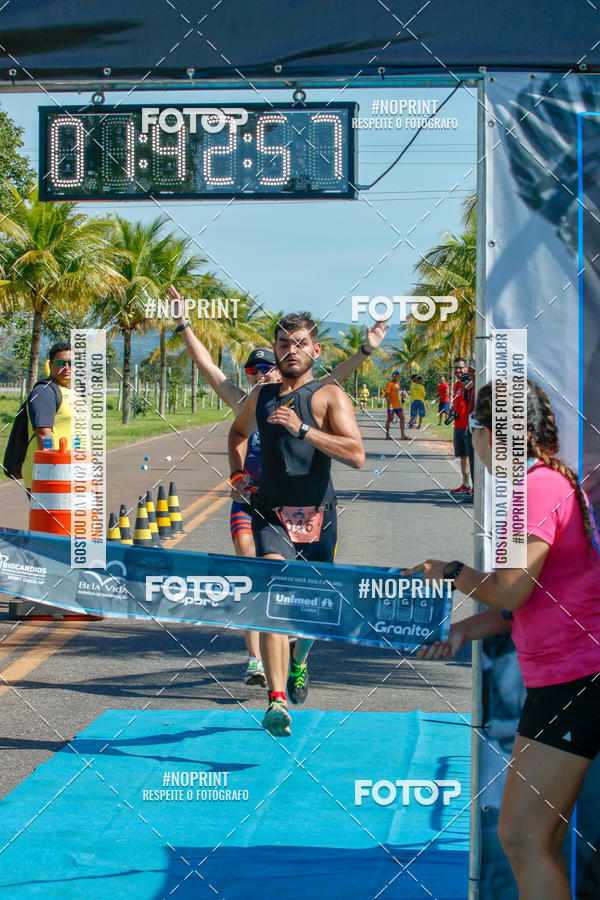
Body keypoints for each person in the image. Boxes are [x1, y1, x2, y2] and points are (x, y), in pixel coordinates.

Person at [405, 380, 600, 900]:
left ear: (492, 434)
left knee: (521, 837)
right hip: (566, 680)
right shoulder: (545, 481)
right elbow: (533, 601)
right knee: (537, 839)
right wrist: (463, 629)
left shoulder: (534, 489)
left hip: (575, 682)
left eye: (475, 432)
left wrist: (449, 570)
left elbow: (511, 592)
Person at [169, 285, 386, 686]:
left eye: (267, 366)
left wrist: (366, 351)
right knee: (264, 580)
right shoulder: (252, 400)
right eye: (255, 369)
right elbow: (208, 369)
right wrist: (184, 324)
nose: (263, 373)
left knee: (315, 603)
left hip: (313, 509)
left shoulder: (311, 393)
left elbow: (335, 381)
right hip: (258, 502)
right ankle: (264, 669)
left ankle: (296, 659)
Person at [229, 312, 366, 737]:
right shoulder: (262, 396)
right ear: (275, 349)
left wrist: (304, 429)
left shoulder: (329, 397)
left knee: (313, 611)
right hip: (270, 513)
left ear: (316, 350)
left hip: (319, 519)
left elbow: (356, 455)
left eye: (301, 343)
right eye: (285, 344)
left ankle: (300, 663)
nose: (292, 350)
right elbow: (236, 432)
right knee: (273, 592)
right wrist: (238, 476)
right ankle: (275, 700)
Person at [22, 342, 72, 493]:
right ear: (51, 365)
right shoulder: (44, 392)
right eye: (60, 363)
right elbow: (44, 435)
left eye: (71, 363)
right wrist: (54, 471)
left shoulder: (67, 391)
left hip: (71, 472)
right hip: (52, 474)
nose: (67, 367)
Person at [450, 357, 472, 496]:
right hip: (458, 425)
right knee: (463, 456)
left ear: (467, 368)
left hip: (468, 426)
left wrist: (465, 377)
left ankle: (474, 487)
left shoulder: (469, 383)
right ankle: (465, 484)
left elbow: (469, 386)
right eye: (455, 368)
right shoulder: (456, 386)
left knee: (472, 457)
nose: (457, 370)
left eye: (460, 367)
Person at [384, 370, 407, 440]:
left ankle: (402, 435)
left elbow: (396, 395)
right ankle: (387, 435)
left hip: (397, 405)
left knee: (402, 418)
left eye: (397, 375)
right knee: (389, 419)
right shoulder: (389, 384)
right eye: (395, 375)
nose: (396, 377)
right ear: (393, 376)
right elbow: (386, 395)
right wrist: (389, 403)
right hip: (391, 406)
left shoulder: (398, 384)